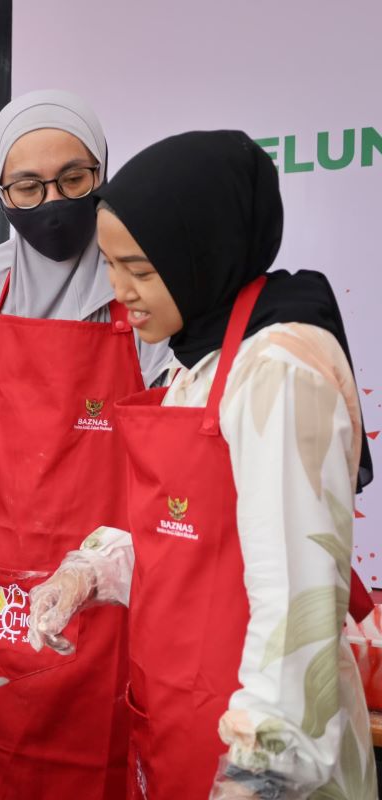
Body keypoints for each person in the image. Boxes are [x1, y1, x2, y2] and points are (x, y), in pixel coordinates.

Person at [28, 130, 376, 799]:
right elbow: (191, 541)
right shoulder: (203, 362)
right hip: (187, 718)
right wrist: (88, 572)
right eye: (110, 264)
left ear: (203, 254)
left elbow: (296, 597)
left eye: (142, 270)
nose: (119, 290)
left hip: (265, 751)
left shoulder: (280, 368)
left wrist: (262, 770)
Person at [0, 91, 172, 800]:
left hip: (103, 574)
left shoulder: (140, 283)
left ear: (102, 173)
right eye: (28, 186)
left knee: (93, 754)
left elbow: (172, 437)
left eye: (74, 179)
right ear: (1, 191)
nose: (52, 200)